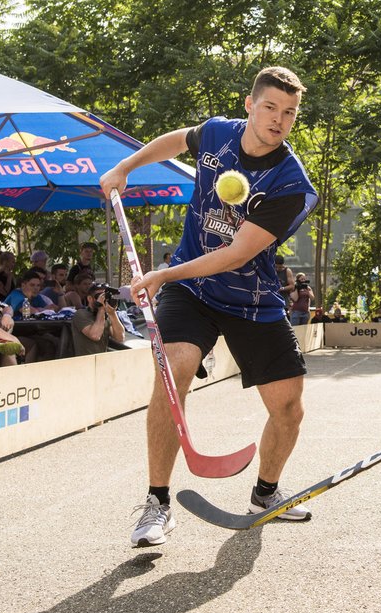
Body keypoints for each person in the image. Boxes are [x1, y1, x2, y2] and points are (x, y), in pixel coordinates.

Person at [100, 66, 320, 548]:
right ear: (250, 105)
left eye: (289, 113)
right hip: (193, 292)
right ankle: (157, 502)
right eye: (270, 108)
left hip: (251, 297)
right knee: (172, 371)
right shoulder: (220, 134)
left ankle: (265, 494)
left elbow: (239, 252)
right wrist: (125, 168)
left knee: (288, 408)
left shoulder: (291, 183)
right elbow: (176, 140)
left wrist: (160, 275)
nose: (279, 120)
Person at [71, 284, 126, 356]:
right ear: (90, 299)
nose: (103, 299)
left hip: (101, 361)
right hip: (85, 362)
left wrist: (112, 314)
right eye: (100, 296)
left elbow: (120, 338)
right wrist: (101, 308)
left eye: (105, 296)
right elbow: (95, 335)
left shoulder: (105, 315)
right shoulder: (81, 314)